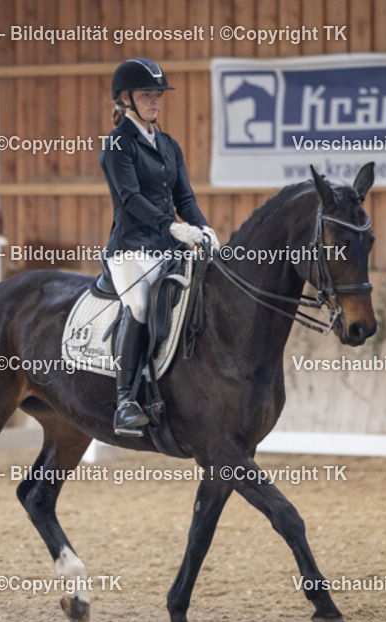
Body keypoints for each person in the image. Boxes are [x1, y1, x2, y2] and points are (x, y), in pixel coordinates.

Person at [100, 58, 219, 436]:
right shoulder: (118, 145)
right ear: (125, 99)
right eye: (146, 95)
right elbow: (131, 198)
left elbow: (184, 197)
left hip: (169, 245)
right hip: (132, 249)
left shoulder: (168, 144)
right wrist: (172, 227)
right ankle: (125, 401)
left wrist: (202, 227)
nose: (155, 101)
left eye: (157, 95)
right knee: (139, 303)